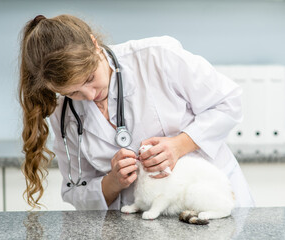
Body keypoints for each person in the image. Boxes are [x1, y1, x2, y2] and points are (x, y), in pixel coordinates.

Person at [19, 14, 254, 209]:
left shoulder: (156, 57)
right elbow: (75, 192)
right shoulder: (64, 114)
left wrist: (180, 145)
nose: (89, 96)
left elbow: (228, 103)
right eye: (74, 92)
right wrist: (112, 182)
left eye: (90, 78)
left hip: (209, 202)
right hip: (144, 224)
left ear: (94, 44)